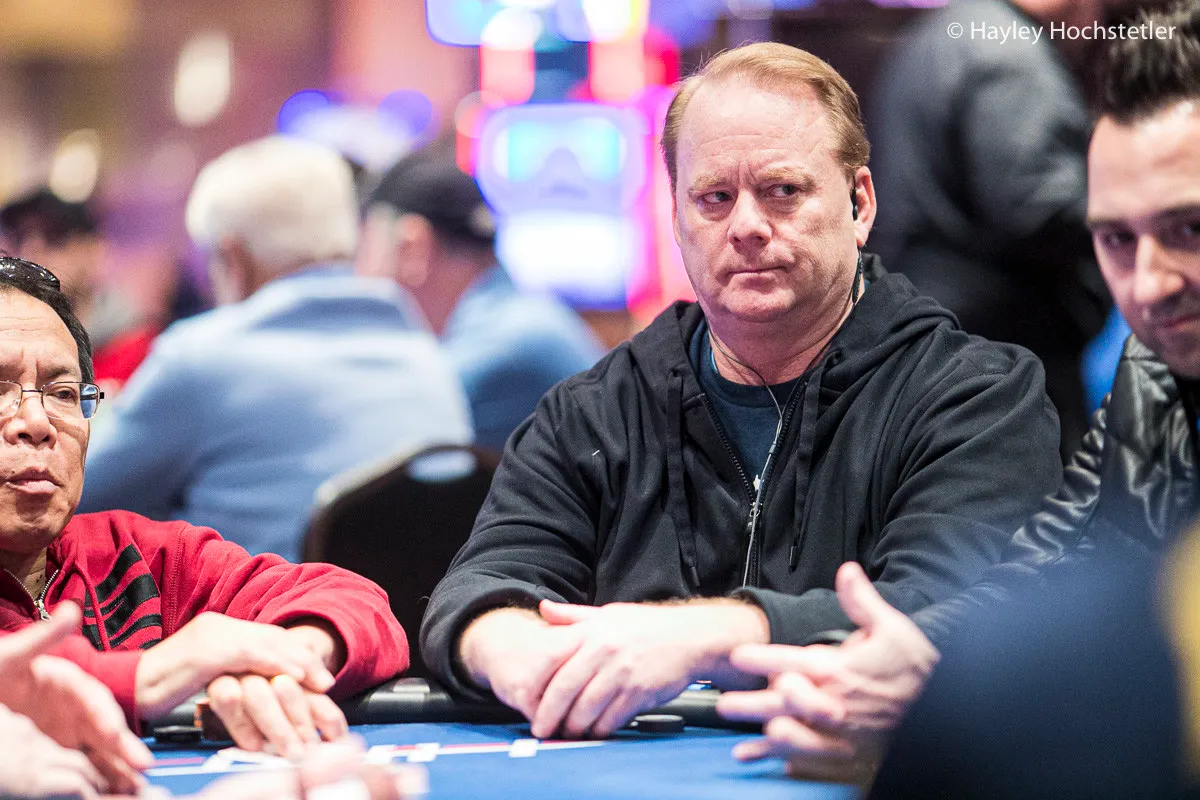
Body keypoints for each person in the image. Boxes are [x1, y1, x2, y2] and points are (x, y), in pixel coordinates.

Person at [419, 41, 1062, 742]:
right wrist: (515, 650)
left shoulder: (976, 399)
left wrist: (704, 638)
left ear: (859, 204)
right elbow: (481, 588)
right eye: (714, 198)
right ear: (676, 218)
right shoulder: (593, 412)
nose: (747, 227)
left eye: (783, 191)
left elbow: (948, 616)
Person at [717, 1, 1200, 784]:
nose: (1147, 286)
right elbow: (1037, 573)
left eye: (1189, 230)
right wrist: (904, 667)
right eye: (1116, 238)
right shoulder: (1154, 374)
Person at [0, 254, 408, 757]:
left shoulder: (134, 554)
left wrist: (283, 662)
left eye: (63, 393)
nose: (37, 422)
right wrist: (151, 674)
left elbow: (356, 601)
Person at [77, 136, 472, 560]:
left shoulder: (199, 359)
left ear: (232, 258)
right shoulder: (427, 355)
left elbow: (74, 496)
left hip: (270, 601)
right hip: (421, 603)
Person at [868, 0, 1117, 459]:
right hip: (1006, 346)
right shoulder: (1009, 53)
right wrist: (1129, 213)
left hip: (932, 325)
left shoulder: (941, 31)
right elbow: (1037, 205)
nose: (1097, 22)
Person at [358, 142, 605, 453]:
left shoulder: (501, 346)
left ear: (413, 248)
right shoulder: (520, 318)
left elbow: (375, 443)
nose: (359, 274)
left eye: (365, 248)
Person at [0, 188, 158, 395]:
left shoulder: (140, 351)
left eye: (54, 238)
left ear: (94, 250)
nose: (31, 252)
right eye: (19, 238)